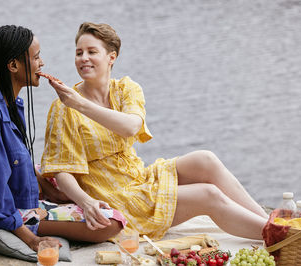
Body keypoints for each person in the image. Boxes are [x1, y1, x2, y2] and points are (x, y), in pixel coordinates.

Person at [39, 22, 268, 241]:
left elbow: (131, 127)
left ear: (111, 57)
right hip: (114, 195)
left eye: (91, 51)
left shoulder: (125, 89)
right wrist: (87, 202)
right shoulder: (63, 107)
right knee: (208, 195)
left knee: (205, 160)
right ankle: (279, 236)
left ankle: (269, 222)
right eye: (79, 53)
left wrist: (81, 104)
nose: (83, 58)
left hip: (138, 177)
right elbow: (62, 172)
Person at [0, 25, 124, 252]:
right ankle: (37, 222)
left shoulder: (8, 101)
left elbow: (16, 157)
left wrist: (51, 191)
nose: (41, 63)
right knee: (111, 222)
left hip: (5, 190)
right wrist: (32, 240)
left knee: (68, 179)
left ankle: (50, 199)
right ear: (13, 65)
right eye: (35, 57)